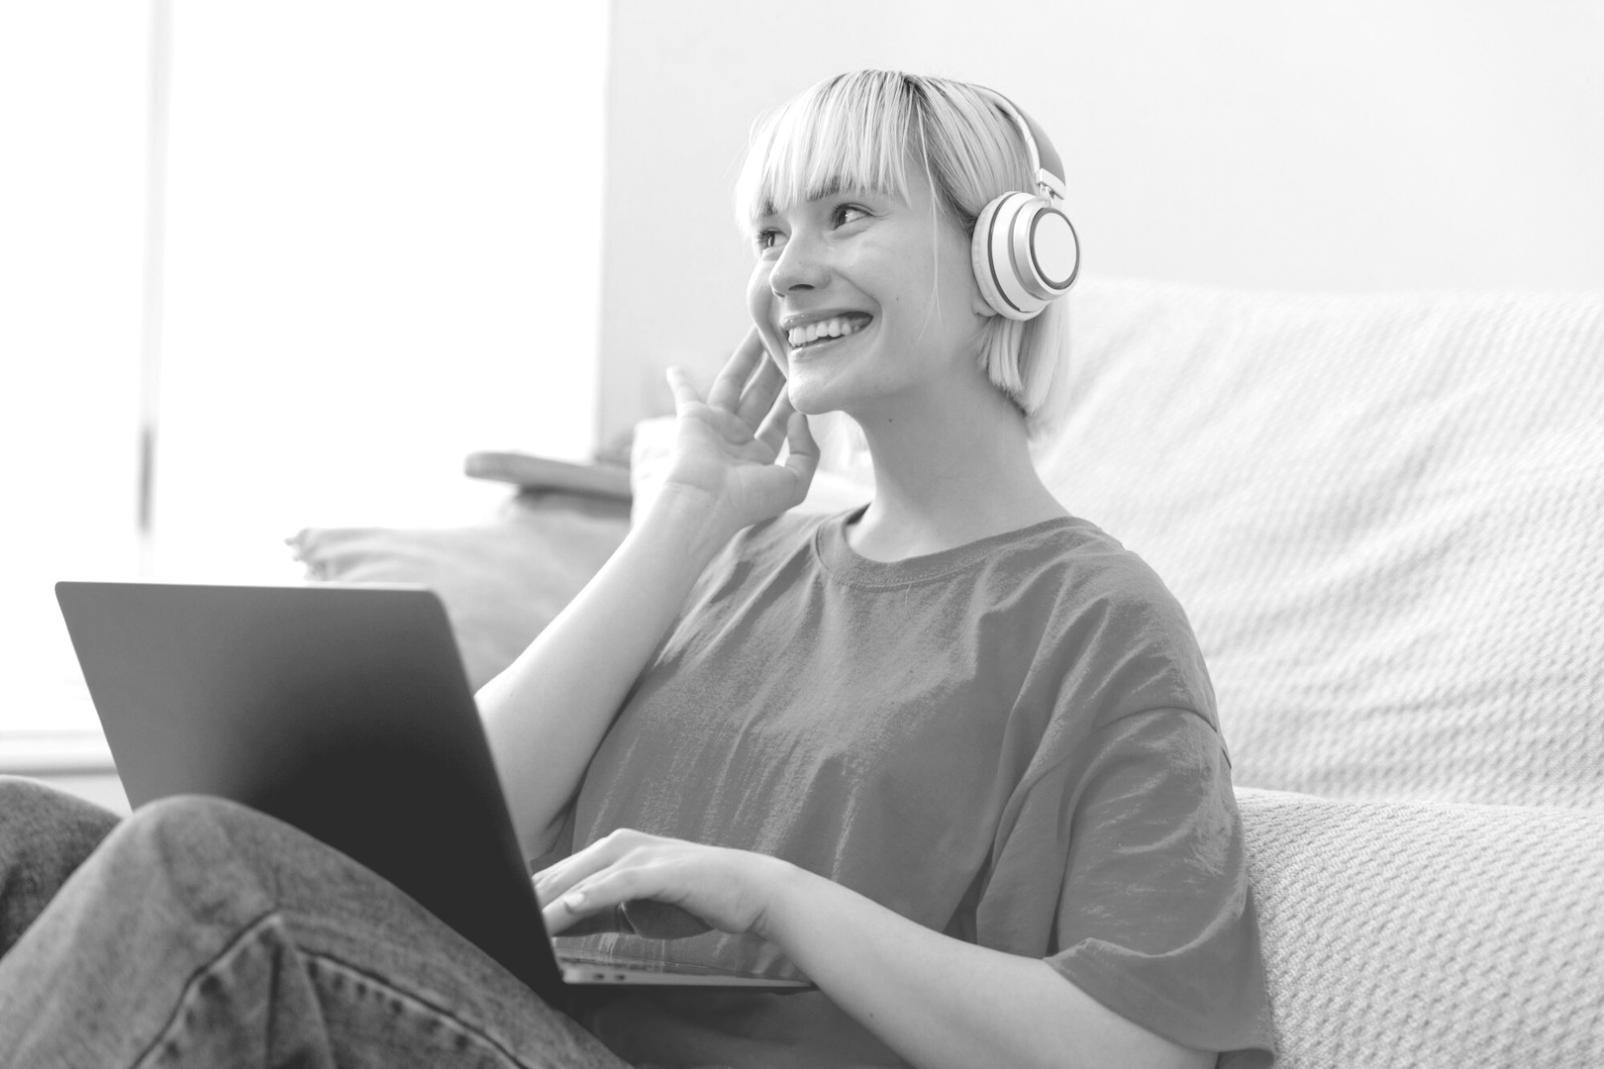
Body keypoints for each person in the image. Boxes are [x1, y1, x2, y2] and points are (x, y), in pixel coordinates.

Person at [0, 70, 1274, 1069]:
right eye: (768, 232)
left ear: (1011, 254)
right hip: (507, 1019)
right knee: (20, 831)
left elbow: (1139, 1039)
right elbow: (453, 833)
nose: (786, 270)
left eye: (846, 214)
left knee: (200, 873)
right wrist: (680, 520)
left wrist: (772, 897)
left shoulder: (1097, 621)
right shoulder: (747, 565)